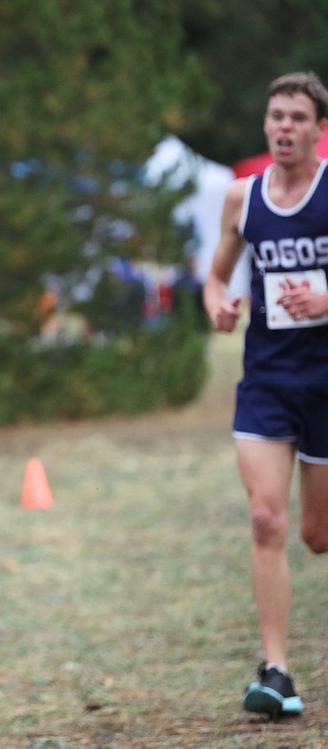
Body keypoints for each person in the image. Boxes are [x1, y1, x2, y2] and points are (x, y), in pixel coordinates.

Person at [204, 71, 328, 718]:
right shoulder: (242, 198)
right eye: (275, 116)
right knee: (264, 519)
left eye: (297, 117)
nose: (284, 127)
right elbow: (215, 275)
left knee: (316, 535)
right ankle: (276, 671)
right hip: (268, 385)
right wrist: (217, 303)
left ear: (317, 128)